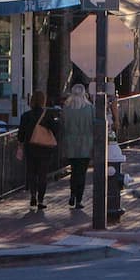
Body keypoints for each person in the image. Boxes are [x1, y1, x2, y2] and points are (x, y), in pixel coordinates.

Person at [15, 90, 61, 213]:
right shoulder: (48, 115)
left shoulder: (26, 116)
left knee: (31, 172)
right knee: (42, 174)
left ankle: (33, 195)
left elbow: (21, 134)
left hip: (30, 147)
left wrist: (20, 144)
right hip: (44, 148)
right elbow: (56, 130)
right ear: (43, 101)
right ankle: (41, 200)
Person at [58, 83, 94, 211]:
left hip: (71, 144)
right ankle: (79, 199)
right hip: (86, 144)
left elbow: (62, 124)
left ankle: (72, 193)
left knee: (74, 171)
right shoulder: (90, 108)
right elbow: (94, 125)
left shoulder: (66, 109)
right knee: (82, 173)